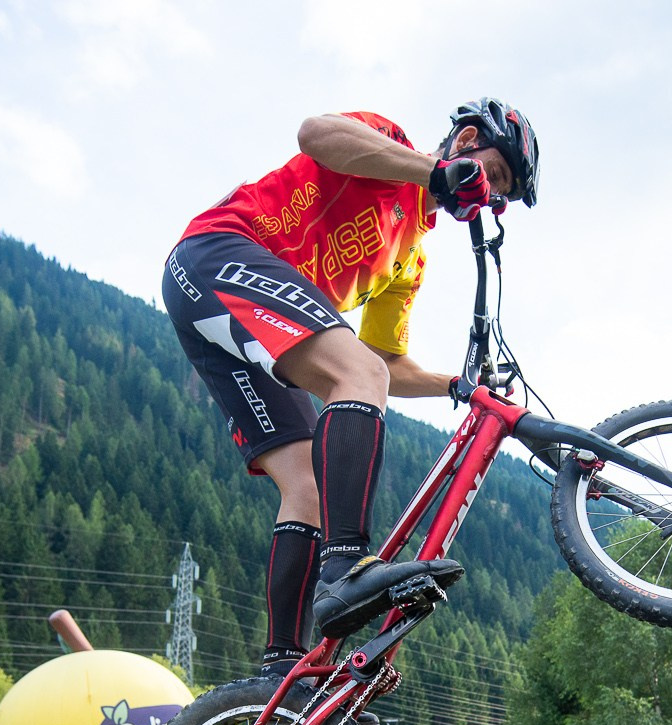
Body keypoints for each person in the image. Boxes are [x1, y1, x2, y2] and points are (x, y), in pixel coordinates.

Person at [162, 101, 538, 677]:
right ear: (465, 141)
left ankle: (281, 669)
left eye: (502, 196)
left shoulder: (409, 258)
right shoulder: (387, 145)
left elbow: (387, 363)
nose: (492, 197)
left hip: (251, 323)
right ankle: (343, 571)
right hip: (220, 254)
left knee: (308, 485)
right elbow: (315, 134)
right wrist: (432, 172)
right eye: (497, 176)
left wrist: (457, 385)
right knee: (357, 375)